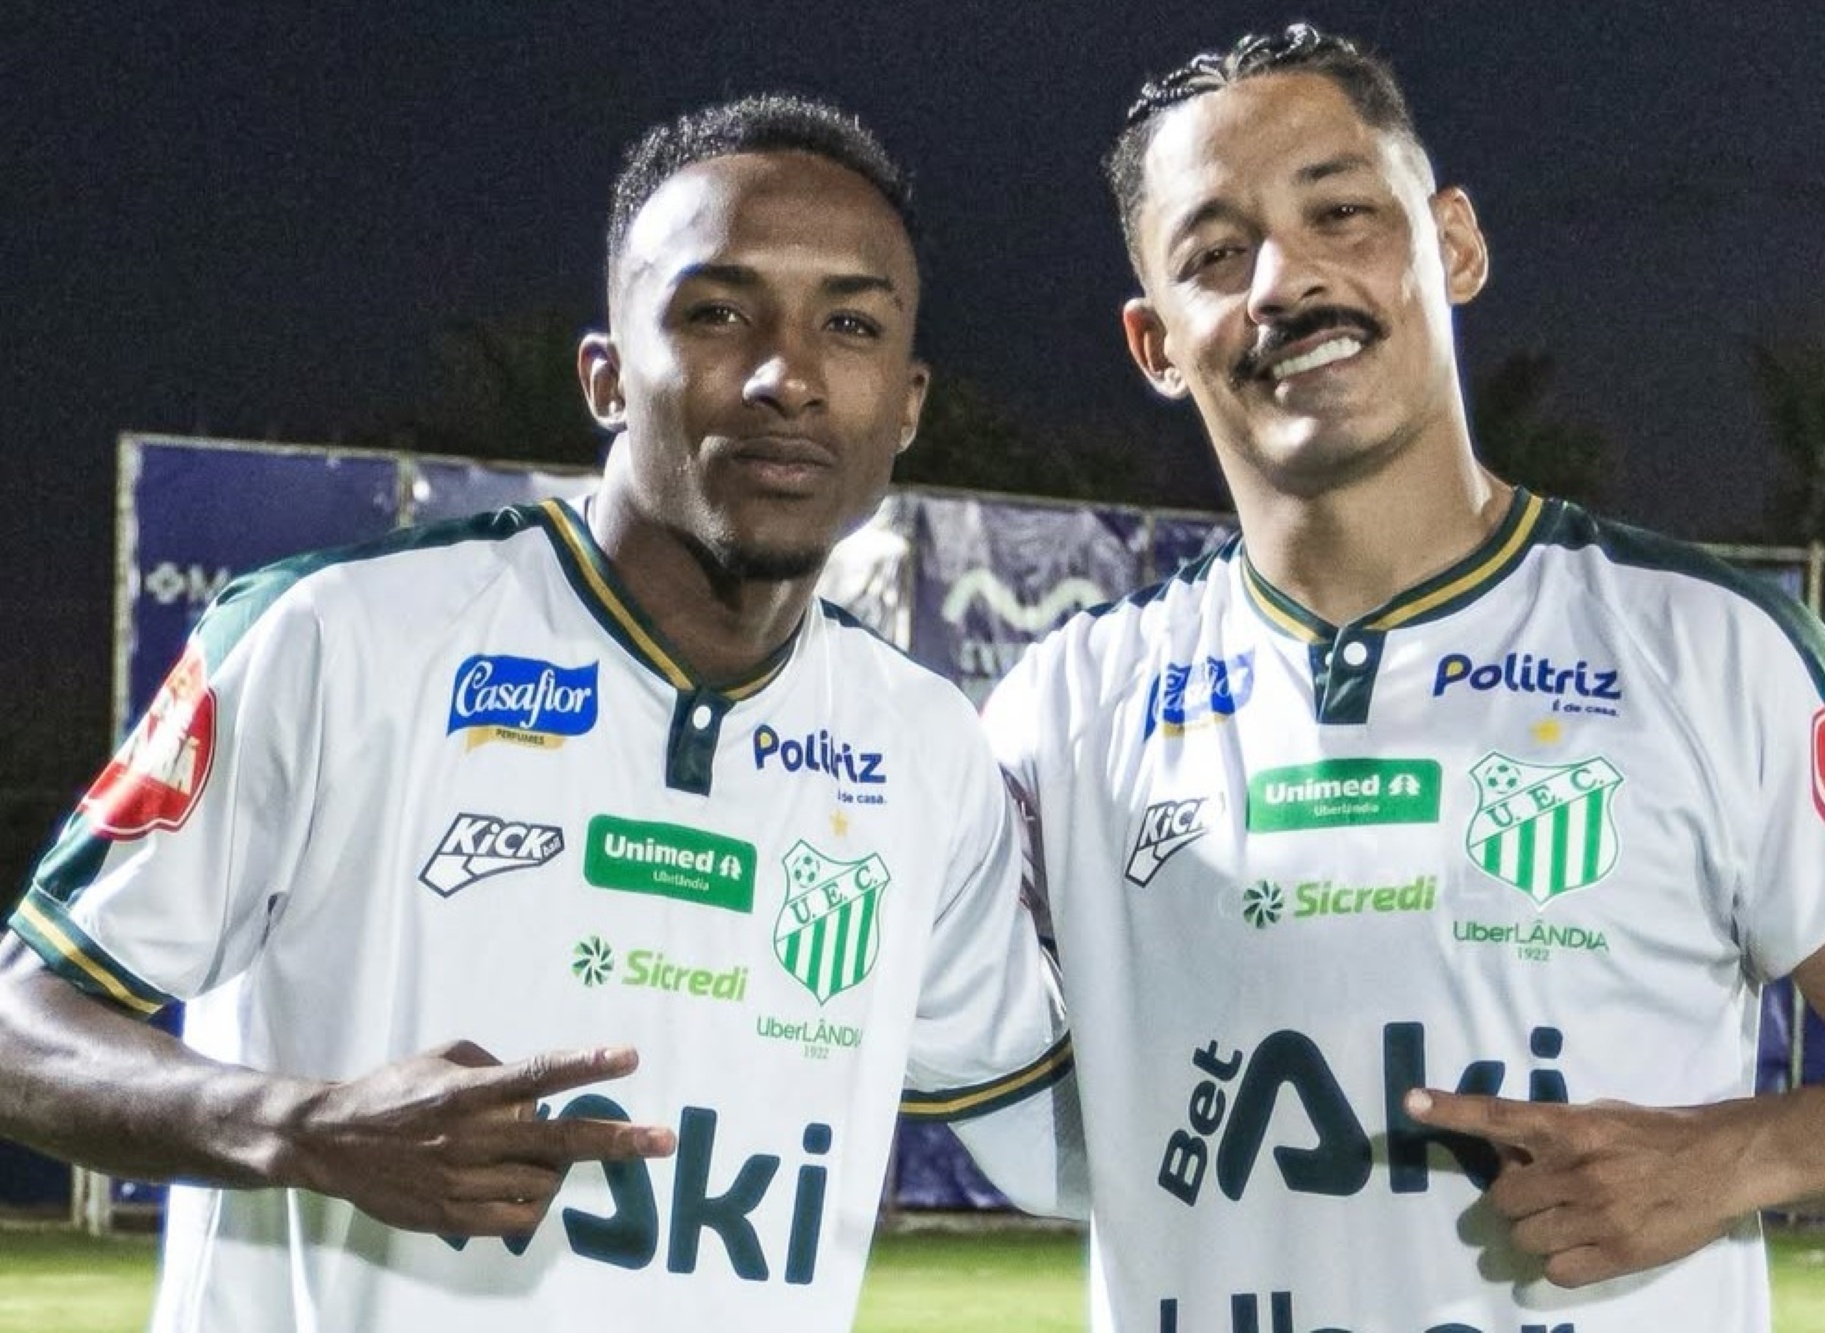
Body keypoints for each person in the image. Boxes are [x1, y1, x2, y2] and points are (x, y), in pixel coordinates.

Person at [978, 23, 1825, 1333]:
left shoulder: (1708, 649)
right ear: (1156, 343)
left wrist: (1732, 1157)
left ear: (1451, 243)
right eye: (1215, 254)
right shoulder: (1064, 713)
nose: (1285, 278)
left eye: (1340, 213)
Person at [0, 94, 1071, 1333]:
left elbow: (1068, 1136)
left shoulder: (924, 748)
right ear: (605, 376)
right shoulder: (338, 638)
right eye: (717, 314)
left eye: (850, 325)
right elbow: (22, 1026)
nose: (786, 375)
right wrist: (302, 1127)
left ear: (907, 401)